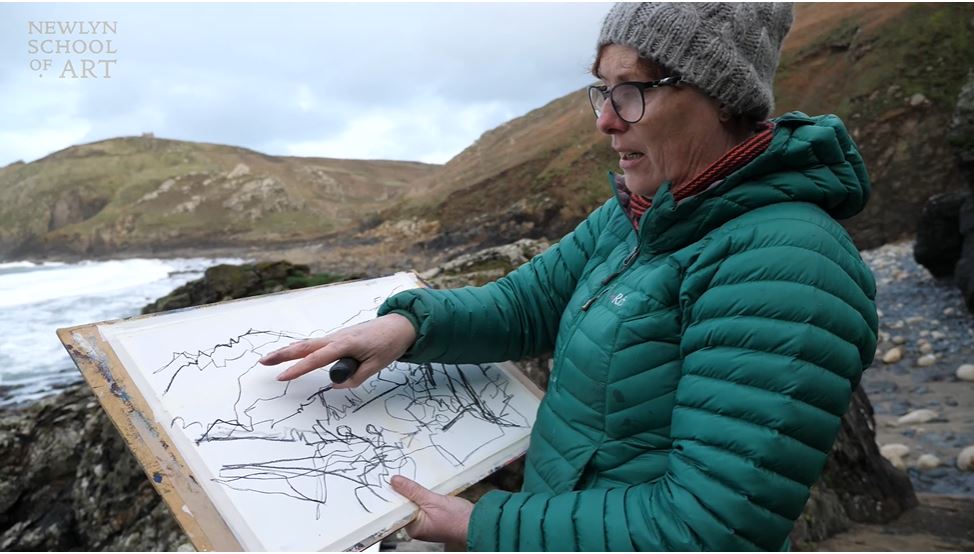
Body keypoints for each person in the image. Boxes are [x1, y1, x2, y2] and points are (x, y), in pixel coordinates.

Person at [260, 2, 878, 550]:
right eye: (602, 91)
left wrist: (482, 527)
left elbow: (710, 528)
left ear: (722, 97)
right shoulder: (635, 216)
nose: (606, 120)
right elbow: (524, 306)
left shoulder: (791, 264)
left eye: (631, 90)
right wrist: (404, 326)